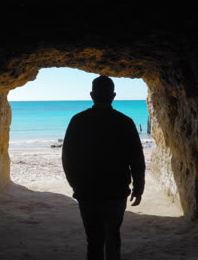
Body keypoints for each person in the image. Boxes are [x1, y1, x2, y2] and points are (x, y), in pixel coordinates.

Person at [62, 75, 146, 260]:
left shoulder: (78, 121)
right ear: (113, 95)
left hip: (88, 191)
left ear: (92, 95)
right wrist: (138, 187)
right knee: (113, 235)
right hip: (116, 191)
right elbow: (136, 158)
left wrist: (75, 184)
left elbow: (68, 157)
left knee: (93, 239)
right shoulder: (125, 122)